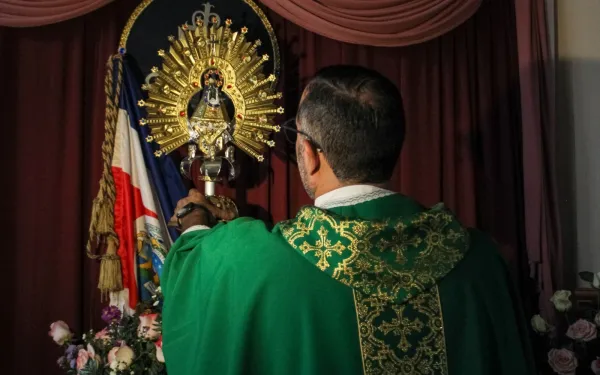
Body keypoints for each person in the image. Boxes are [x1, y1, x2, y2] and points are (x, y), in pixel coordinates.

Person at [161, 65, 535, 375]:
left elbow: (194, 281)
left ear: (308, 154)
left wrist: (194, 220)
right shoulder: (481, 260)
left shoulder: (250, 259)